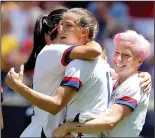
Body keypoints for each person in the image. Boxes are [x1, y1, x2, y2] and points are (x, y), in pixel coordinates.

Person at [6, 8, 113, 137]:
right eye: (61, 25)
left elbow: (56, 105)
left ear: (84, 32)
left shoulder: (81, 62)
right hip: (42, 131)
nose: (62, 29)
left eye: (68, 25)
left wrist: (18, 87)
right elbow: (95, 51)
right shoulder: (56, 51)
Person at [53, 30, 152, 137]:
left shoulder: (136, 84)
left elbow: (110, 122)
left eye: (126, 55)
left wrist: (68, 127)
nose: (119, 59)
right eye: (116, 53)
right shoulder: (112, 79)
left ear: (139, 61)